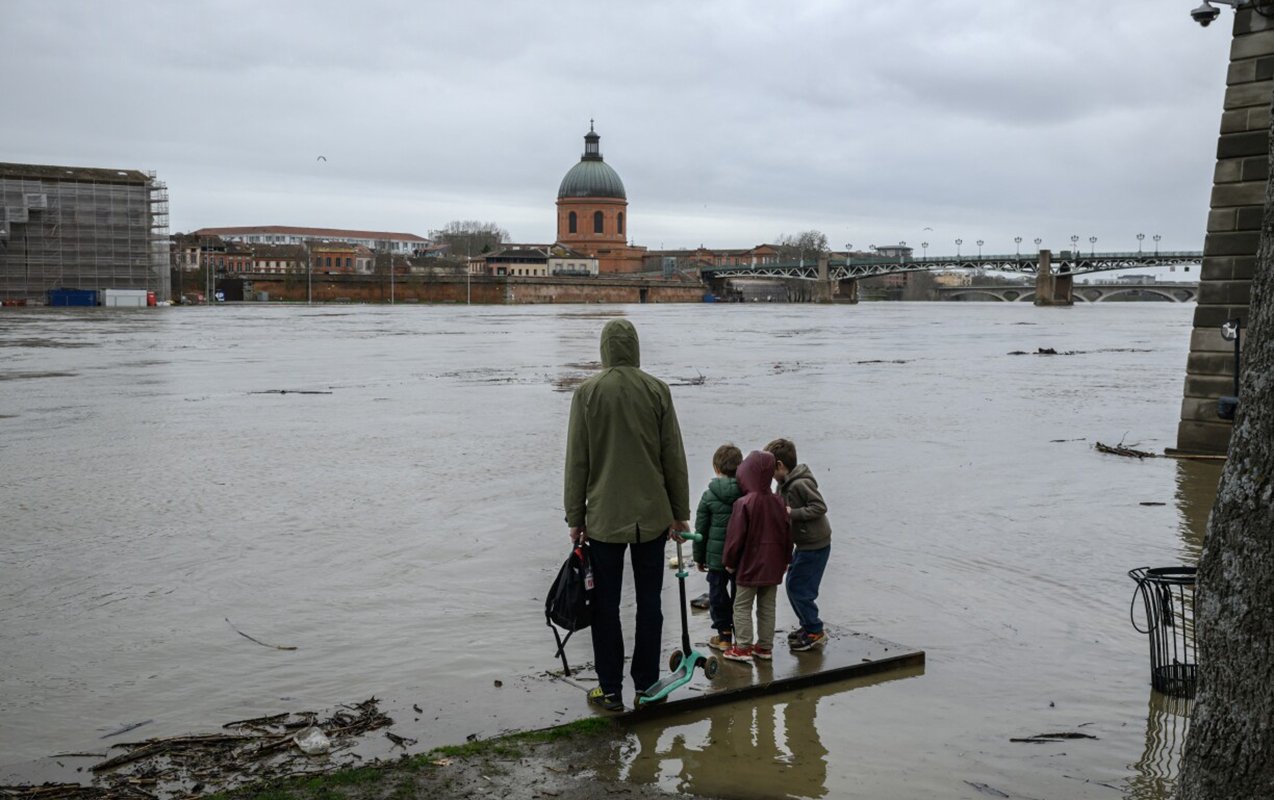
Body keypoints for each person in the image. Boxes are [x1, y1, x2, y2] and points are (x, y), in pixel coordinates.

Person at [563, 319, 690, 712]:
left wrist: (574, 517)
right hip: (652, 516)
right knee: (650, 602)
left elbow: (577, 461)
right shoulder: (658, 390)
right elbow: (673, 456)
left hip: (603, 519)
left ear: (604, 350)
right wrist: (679, 512)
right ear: (635, 347)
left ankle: (610, 688)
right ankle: (648, 683)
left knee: (606, 606)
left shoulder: (587, 393)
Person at [720, 450, 791, 663]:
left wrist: (729, 562)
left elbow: (735, 538)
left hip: (749, 566)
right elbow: (788, 534)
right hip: (773, 565)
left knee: (741, 606)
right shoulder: (779, 501)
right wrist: (787, 560)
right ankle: (765, 647)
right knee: (767, 606)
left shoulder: (744, 503)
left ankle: (742, 647)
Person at [765, 438, 832, 651]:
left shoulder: (801, 483)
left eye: (770, 469)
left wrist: (792, 513)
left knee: (799, 588)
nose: (769, 475)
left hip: (816, 545)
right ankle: (808, 625)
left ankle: (815, 630)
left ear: (780, 466)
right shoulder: (782, 485)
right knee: (793, 585)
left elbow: (820, 507)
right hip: (803, 545)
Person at [692, 443, 743, 651]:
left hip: (716, 557)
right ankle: (743, 634)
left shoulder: (709, 495)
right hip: (740, 556)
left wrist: (698, 557)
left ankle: (724, 636)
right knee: (740, 594)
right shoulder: (746, 492)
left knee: (717, 593)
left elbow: (700, 530)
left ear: (716, 468)